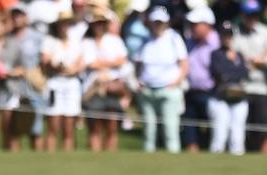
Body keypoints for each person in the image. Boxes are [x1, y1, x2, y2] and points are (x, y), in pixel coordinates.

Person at [133, 6, 186, 153]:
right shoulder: (145, 40)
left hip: (168, 89)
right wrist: (139, 82)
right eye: (155, 22)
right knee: (149, 130)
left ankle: (173, 160)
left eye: (160, 22)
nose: (158, 25)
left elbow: (184, 63)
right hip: (148, 90)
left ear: (166, 22)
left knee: (170, 128)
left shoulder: (174, 38)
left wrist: (175, 83)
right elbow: (137, 64)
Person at [0, 5, 40, 150]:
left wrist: (10, 72)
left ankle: (11, 155)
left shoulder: (15, 43)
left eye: (1, 24)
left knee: (10, 127)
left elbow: (24, 68)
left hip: (11, 88)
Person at [231, 0, 267, 154]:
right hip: (242, 88)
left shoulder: (266, 33)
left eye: (254, 15)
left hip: (261, 88)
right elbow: (233, 58)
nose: (251, 18)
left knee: (261, 129)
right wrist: (255, 59)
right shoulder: (236, 33)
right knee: (241, 129)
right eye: (248, 15)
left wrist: (258, 61)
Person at [80, 5, 127, 152]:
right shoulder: (85, 42)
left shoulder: (114, 40)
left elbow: (121, 60)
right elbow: (88, 63)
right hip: (93, 88)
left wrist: (101, 63)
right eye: (96, 23)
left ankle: (111, 156)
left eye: (101, 23)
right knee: (95, 127)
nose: (99, 26)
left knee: (112, 126)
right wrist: (108, 63)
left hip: (112, 87)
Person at [40, 9, 83, 151]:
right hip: (55, 82)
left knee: (69, 125)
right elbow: (45, 60)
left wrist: (72, 70)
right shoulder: (50, 41)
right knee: (53, 123)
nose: (65, 27)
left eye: (67, 24)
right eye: (62, 24)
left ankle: (67, 155)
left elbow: (80, 62)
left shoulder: (75, 42)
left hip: (71, 83)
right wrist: (57, 66)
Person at [206, 20, 247, 155]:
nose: (227, 38)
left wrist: (231, 68)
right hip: (220, 98)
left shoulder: (238, 55)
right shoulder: (215, 54)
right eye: (224, 35)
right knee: (219, 135)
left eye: (229, 35)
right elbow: (220, 73)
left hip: (238, 99)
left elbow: (243, 73)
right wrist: (231, 65)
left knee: (237, 136)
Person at [181, 6, 217, 152]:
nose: (192, 28)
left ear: (208, 25)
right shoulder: (189, 42)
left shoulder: (217, 43)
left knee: (213, 133)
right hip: (190, 92)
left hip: (211, 93)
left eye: (196, 24)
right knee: (190, 134)